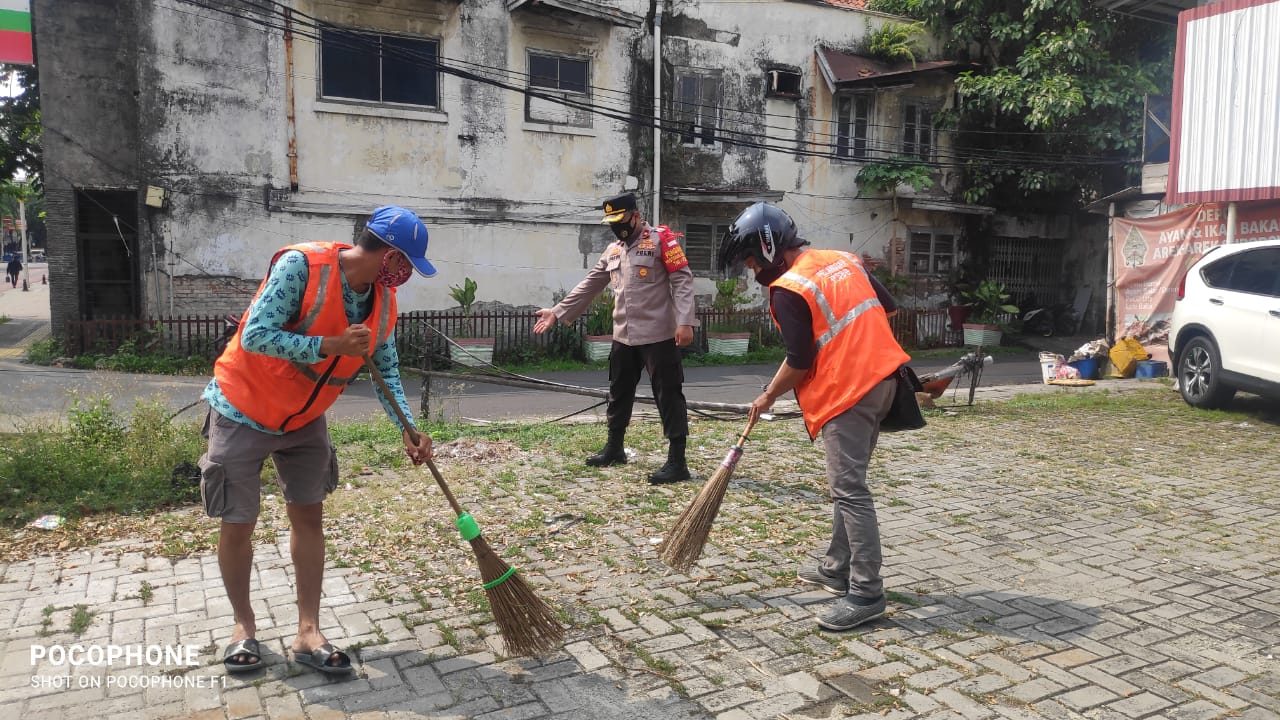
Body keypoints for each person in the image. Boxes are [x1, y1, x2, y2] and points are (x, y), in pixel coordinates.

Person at [199, 206, 437, 675]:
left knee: (309, 517)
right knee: (238, 520)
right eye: (407, 263)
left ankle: (308, 632)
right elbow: (255, 335)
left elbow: (385, 369)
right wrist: (327, 346)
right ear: (389, 255)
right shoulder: (303, 268)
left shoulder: (383, 301)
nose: (407, 274)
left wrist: (408, 429)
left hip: (305, 418)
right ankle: (242, 628)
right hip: (243, 407)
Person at [718, 202, 909, 631]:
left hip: (849, 393)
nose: (751, 271)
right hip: (884, 383)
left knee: (850, 491)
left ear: (767, 247)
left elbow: (800, 361)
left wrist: (767, 396)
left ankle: (866, 592)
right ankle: (836, 567)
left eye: (750, 260)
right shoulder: (844, 260)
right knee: (850, 485)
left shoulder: (789, 288)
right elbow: (888, 309)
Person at [533, 192, 697, 484]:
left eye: (621, 220)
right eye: (611, 222)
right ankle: (614, 448)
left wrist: (685, 321)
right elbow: (590, 285)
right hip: (624, 335)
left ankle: (677, 461)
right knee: (618, 392)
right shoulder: (613, 251)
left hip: (659, 335)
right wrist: (557, 312)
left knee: (669, 394)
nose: (617, 227)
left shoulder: (662, 241)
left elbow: (682, 279)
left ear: (636, 215)